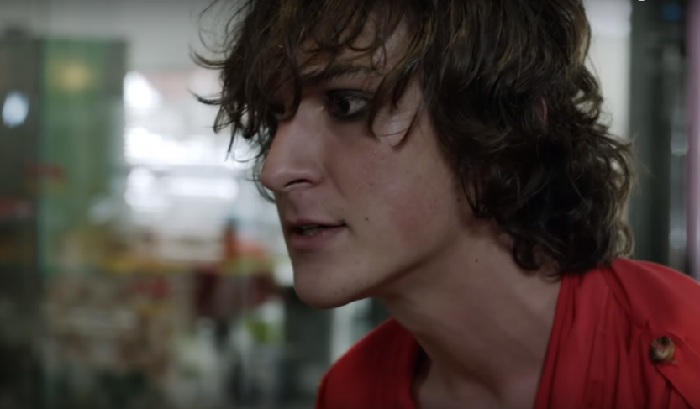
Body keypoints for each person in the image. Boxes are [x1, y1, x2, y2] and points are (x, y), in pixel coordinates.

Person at [197, 0, 700, 408]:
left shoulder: (679, 365)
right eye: (276, 117)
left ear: (506, 124)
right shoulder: (351, 391)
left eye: (345, 104)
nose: (276, 170)